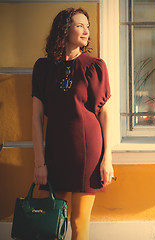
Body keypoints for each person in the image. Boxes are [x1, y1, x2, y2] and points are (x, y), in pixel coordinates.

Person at [32, 8, 114, 240]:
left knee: (78, 222)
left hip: (87, 152)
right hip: (56, 151)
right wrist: (39, 163)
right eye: (79, 25)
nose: (86, 30)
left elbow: (104, 114)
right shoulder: (43, 68)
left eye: (87, 26)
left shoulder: (94, 66)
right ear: (63, 29)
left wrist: (107, 158)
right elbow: (36, 118)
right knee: (49, 219)